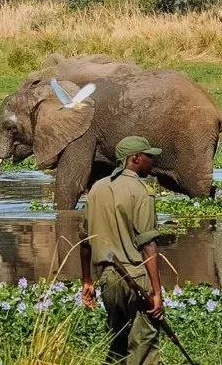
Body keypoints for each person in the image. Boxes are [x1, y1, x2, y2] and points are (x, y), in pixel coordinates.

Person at [80, 136, 164, 364]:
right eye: (148, 156)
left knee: (118, 340)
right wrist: (156, 292)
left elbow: (85, 241)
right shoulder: (141, 191)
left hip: (108, 279)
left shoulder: (97, 188)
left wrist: (87, 281)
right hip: (136, 276)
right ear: (135, 158)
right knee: (145, 342)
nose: (152, 161)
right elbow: (148, 244)